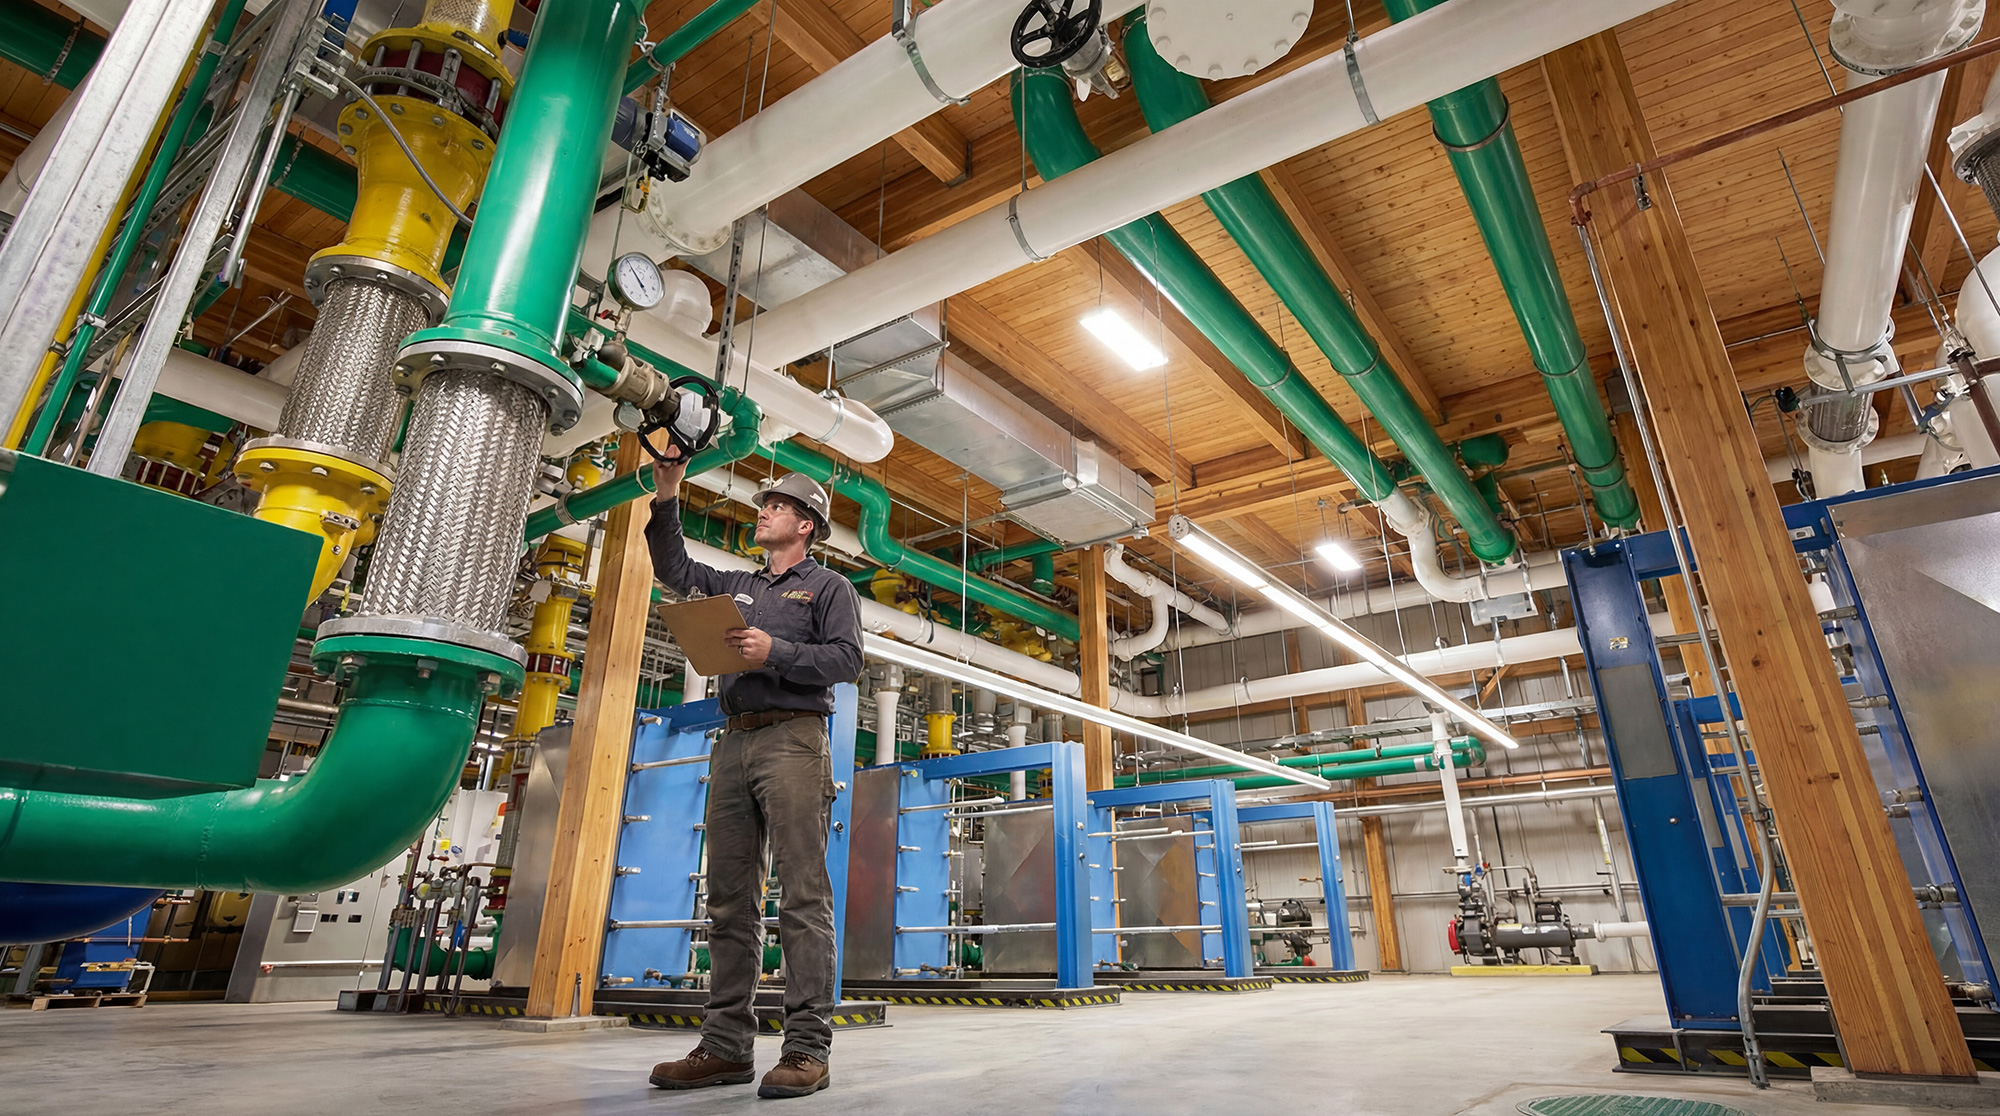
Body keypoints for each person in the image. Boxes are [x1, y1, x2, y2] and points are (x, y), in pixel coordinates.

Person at [642, 445, 863, 1100]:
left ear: (806, 526)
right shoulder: (737, 585)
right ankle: (726, 1046)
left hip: (795, 739)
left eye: (778, 506)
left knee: (802, 893)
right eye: (765, 503)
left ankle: (806, 1049)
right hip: (733, 741)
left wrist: (777, 650)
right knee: (729, 898)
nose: (764, 511)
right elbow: (675, 567)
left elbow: (848, 660)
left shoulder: (829, 588)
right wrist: (668, 491)